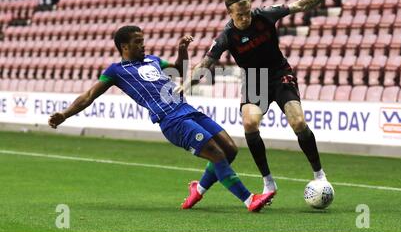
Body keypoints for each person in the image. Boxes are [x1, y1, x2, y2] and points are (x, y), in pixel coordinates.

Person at [48, 25, 274, 212]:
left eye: (143, 40)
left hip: (187, 109)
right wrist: (65, 114)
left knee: (230, 150)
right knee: (216, 154)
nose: (143, 44)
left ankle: (198, 189)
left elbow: (179, 69)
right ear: (124, 46)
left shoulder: (153, 60)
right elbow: (88, 96)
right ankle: (249, 200)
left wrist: (182, 49)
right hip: (170, 120)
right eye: (137, 42)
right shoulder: (116, 71)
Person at [179, 0, 353, 206]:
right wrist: (184, 86)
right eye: (239, 15)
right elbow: (206, 64)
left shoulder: (265, 15)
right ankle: (268, 182)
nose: (245, 17)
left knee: (298, 123)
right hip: (255, 79)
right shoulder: (226, 36)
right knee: (250, 124)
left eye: (247, 12)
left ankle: (319, 175)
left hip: (279, 73)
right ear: (230, 13)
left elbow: (300, 5)